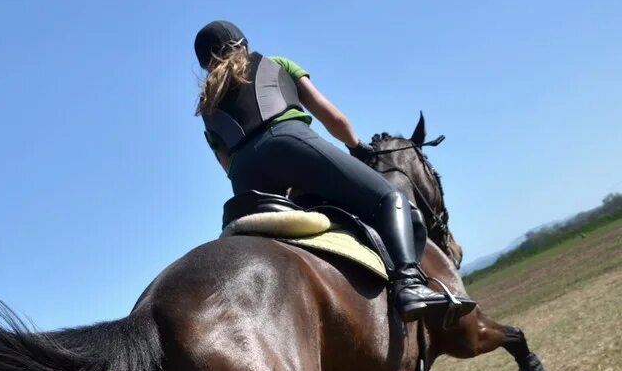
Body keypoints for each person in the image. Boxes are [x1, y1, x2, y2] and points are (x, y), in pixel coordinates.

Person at [194, 20, 474, 322]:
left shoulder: (206, 105)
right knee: (388, 199)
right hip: (291, 144)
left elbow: (227, 165)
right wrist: (355, 146)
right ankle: (408, 284)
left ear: (205, 65)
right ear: (244, 44)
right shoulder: (275, 64)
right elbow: (332, 116)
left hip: (246, 179)